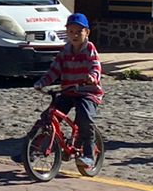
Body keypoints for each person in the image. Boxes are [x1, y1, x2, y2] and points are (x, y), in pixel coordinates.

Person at [34, 13, 103, 171]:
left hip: (87, 92)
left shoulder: (89, 49)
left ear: (87, 33)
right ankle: (32, 150)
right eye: (71, 32)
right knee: (47, 117)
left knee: (84, 119)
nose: (75, 35)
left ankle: (89, 155)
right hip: (68, 91)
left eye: (79, 32)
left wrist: (92, 77)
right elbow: (54, 70)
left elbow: (96, 67)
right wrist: (42, 82)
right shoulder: (65, 51)